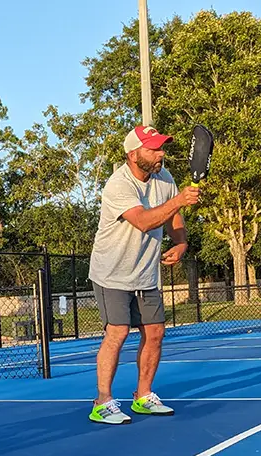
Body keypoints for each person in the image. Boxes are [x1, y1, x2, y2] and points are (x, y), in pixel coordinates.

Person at [87, 126, 200, 425]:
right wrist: (178, 201)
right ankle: (103, 401)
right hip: (112, 272)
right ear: (133, 154)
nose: (160, 153)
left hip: (146, 273)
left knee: (155, 333)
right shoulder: (118, 185)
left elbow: (173, 217)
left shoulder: (165, 178)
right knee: (118, 332)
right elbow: (144, 222)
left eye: (161, 147)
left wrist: (181, 242)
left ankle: (143, 396)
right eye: (153, 149)